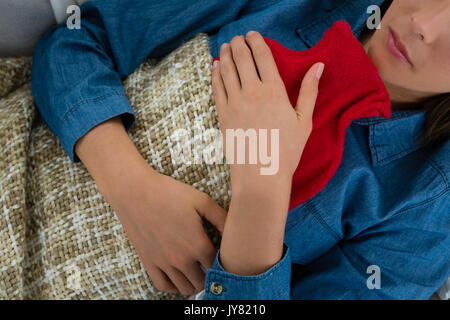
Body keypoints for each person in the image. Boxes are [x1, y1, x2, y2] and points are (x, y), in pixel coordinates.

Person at [31, 0, 450, 299]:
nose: (425, 25)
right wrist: (130, 188)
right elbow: (75, 40)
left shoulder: (427, 213)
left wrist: (261, 192)